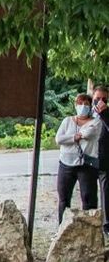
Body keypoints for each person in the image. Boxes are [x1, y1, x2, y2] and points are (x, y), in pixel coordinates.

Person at [54, 93, 101, 224]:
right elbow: (59, 139)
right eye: (80, 104)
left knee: (88, 198)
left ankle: (90, 228)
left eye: (86, 104)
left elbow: (89, 133)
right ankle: (62, 229)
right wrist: (76, 136)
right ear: (75, 105)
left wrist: (71, 137)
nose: (83, 107)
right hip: (66, 164)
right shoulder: (67, 121)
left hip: (87, 165)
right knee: (63, 198)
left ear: (90, 106)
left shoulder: (95, 122)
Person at [91, 86, 109, 235]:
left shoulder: (107, 114)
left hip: (104, 160)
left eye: (104, 99)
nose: (100, 101)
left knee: (106, 192)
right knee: (88, 194)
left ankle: (106, 226)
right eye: (97, 99)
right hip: (87, 161)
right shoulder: (85, 113)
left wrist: (104, 114)